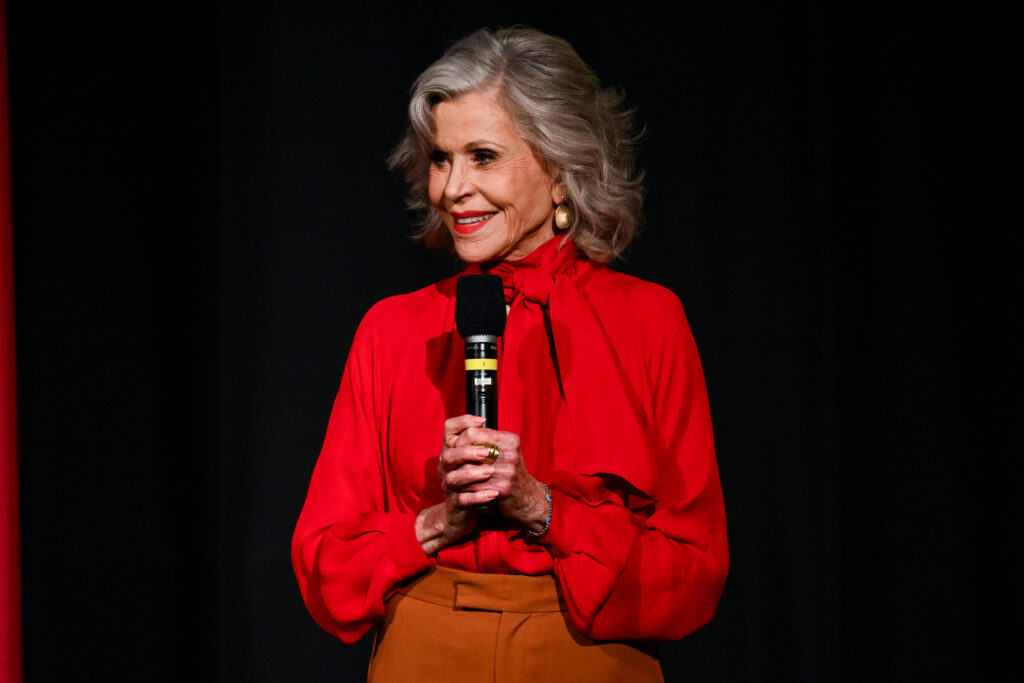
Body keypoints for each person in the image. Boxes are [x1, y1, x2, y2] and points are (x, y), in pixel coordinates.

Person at [292, 27, 728, 682]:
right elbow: (325, 560)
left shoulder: (647, 319)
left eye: (483, 156)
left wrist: (542, 508)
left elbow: (695, 567)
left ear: (561, 170)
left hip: (589, 652)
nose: (453, 188)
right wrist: (437, 522)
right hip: (425, 649)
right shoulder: (391, 329)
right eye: (441, 159)